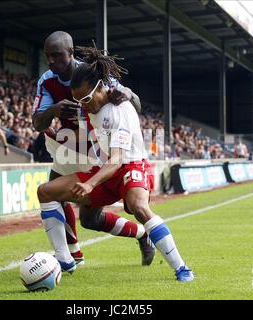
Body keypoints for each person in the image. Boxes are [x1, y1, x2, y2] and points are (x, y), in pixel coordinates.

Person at [37, 47, 194, 282]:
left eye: (87, 99)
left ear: (101, 87)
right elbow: (93, 137)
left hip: (130, 166)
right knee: (48, 193)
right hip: (103, 169)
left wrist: (89, 184)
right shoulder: (90, 104)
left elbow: (117, 159)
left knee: (138, 208)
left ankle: (182, 269)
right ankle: (65, 261)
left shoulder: (117, 109)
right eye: (79, 100)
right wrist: (56, 134)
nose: (84, 105)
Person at [32, 31, 154, 272]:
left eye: (56, 56)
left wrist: (128, 94)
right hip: (68, 146)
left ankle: (142, 233)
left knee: (90, 219)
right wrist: (54, 110)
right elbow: (37, 123)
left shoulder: (93, 74)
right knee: (51, 194)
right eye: (48, 57)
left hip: (97, 150)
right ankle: (69, 257)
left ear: (70, 53)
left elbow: (137, 104)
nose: (51, 62)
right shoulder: (47, 81)